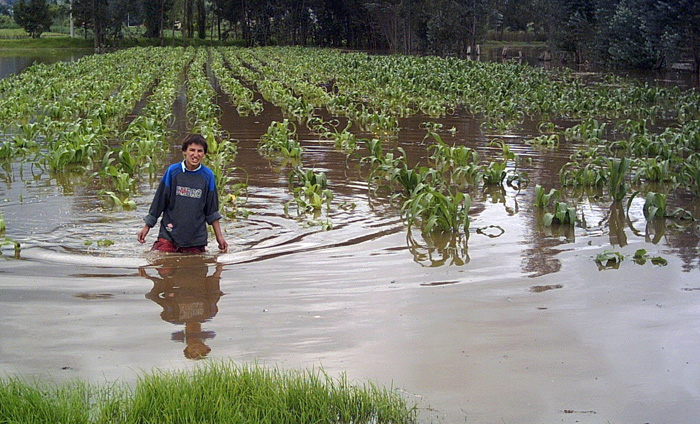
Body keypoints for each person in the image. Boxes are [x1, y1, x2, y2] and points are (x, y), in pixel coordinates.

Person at [137, 134, 228, 253]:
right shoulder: (173, 172)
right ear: (185, 151)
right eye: (192, 150)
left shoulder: (207, 176)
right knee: (163, 267)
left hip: (196, 238)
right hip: (169, 233)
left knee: (195, 268)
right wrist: (147, 226)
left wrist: (219, 237)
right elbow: (159, 202)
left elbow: (211, 210)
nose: (195, 154)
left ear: (204, 154)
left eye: (200, 151)